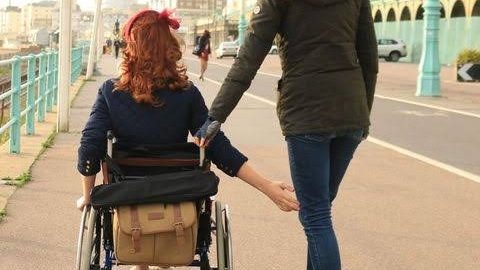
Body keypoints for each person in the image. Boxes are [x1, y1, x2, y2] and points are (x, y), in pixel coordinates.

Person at [76, 9, 299, 270]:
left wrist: (89, 198)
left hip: (127, 192)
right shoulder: (187, 94)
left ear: (131, 47)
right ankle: (164, 252)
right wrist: (266, 186)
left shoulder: (110, 93)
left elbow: (89, 148)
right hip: (178, 191)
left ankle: (142, 258)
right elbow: (217, 147)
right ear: (169, 47)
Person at [195, 0, 379, 269]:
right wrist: (364, 115)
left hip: (306, 113)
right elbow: (369, 60)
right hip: (350, 112)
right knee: (319, 212)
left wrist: (216, 116)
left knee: (316, 216)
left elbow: (248, 61)